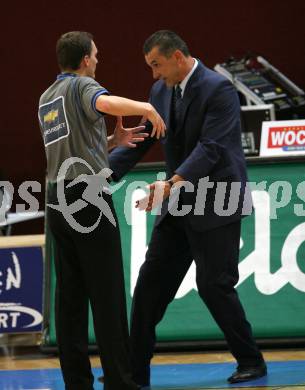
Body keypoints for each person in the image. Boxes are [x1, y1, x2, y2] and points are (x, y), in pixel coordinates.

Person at [109, 30, 267, 387]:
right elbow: (145, 140)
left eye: (157, 65)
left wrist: (170, 183)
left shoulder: (218, 89)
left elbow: (212, 148)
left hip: (217, 201)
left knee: (214, 285)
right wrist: (105, 173)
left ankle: (251, 360)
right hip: (178, 203)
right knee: (149, 288)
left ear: (178, 57)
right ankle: (134, 371)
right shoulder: (159, 92)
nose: (153, 74)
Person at [38, 31, 165, 390]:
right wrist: (146, 107)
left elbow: (70, 146)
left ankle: (77, 382)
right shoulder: (81, 86)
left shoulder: (47, 97)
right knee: (107, 294)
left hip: (56, 199)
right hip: (87, 198)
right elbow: (106, 105)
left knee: (70, 299)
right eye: (95, 55)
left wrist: (111, 142)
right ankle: (120, 383)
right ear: (84, 60)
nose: (98, 60)